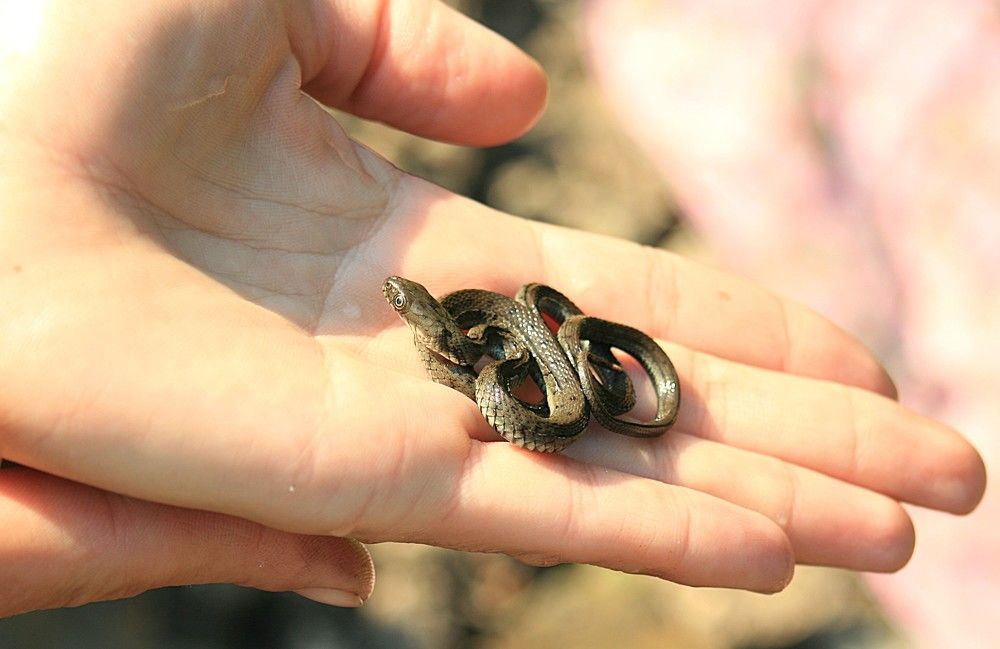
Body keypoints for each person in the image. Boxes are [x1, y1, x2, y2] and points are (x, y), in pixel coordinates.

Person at [0, 0, 985, 618]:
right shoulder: (468, 335)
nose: (400, 308)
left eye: (409, 305)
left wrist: (568, 353)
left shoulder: (491, 341)